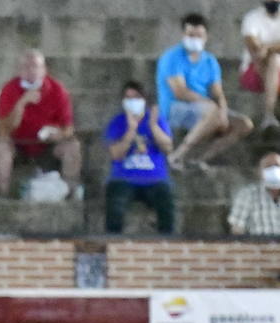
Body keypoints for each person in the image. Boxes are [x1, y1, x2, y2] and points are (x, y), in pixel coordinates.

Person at [158, 13, 253, 170]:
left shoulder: (210, 61)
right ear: (183, 34)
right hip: (175, 108)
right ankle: (178, 155)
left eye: (199, 35)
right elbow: (179, 92)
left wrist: (222, 109)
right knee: (212, 111)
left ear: (206, 36)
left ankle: (200, 158)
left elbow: (217, 91)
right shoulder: (171, 57)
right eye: (190, 35)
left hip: (205, 110)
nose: (195, 39)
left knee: (244, 124)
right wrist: (211, 106)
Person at [0, 49, 81, 198]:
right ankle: (3, 195)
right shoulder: (9, 90)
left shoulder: (57, 90)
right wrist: (21, 103)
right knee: (2, 145)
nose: (31, 71)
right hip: (18, 144)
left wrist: (58, 135)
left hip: (48, 146)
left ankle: (70, 194)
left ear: (43, 70)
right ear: (19, 70)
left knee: (72, 146)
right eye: (26, 67)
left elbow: (69, 128)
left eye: (35, 66)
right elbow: (3, 129)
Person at [103, 81, 175, 235]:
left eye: (135, 97)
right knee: (115, 207)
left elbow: (167, 147)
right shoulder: (117, 122)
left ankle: (167, 247)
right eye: (127, 98)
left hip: (155, 179)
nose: (132, 102)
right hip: (123, 178)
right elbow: (116, 154)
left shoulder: (156, 120)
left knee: (166, 205)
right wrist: (131, 130)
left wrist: (153, 127)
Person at [240, 1, 280, 132]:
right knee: (273, 59)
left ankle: (269, 115)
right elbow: (254, 46)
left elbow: (262, 48)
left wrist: (267, 47)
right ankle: (269, 113)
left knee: (273, 59)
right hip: (255, 72)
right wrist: (271, 50)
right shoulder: (252, 18)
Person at [227, 151, 280, 234]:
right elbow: (237, 228)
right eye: (268, 166)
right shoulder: (248, 194)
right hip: (261, 245)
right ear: (260, 172)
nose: (274, 169)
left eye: (277, 165)